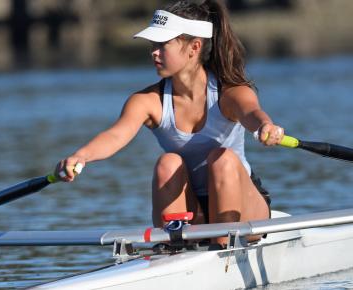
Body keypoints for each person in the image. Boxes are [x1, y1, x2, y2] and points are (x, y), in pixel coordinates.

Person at [55, 0, 284, 244]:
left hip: (244, 205)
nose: (153, 51)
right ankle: (177, 247)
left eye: (162, 44)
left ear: (194, 47)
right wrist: (81, 156)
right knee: (168, 163)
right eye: (153, 44)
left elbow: (251, 113)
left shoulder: (230, 92)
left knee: (222, 158)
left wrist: (265, 127)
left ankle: (222, 246)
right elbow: (115, 136)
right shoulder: (147, 101)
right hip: (190, 207)